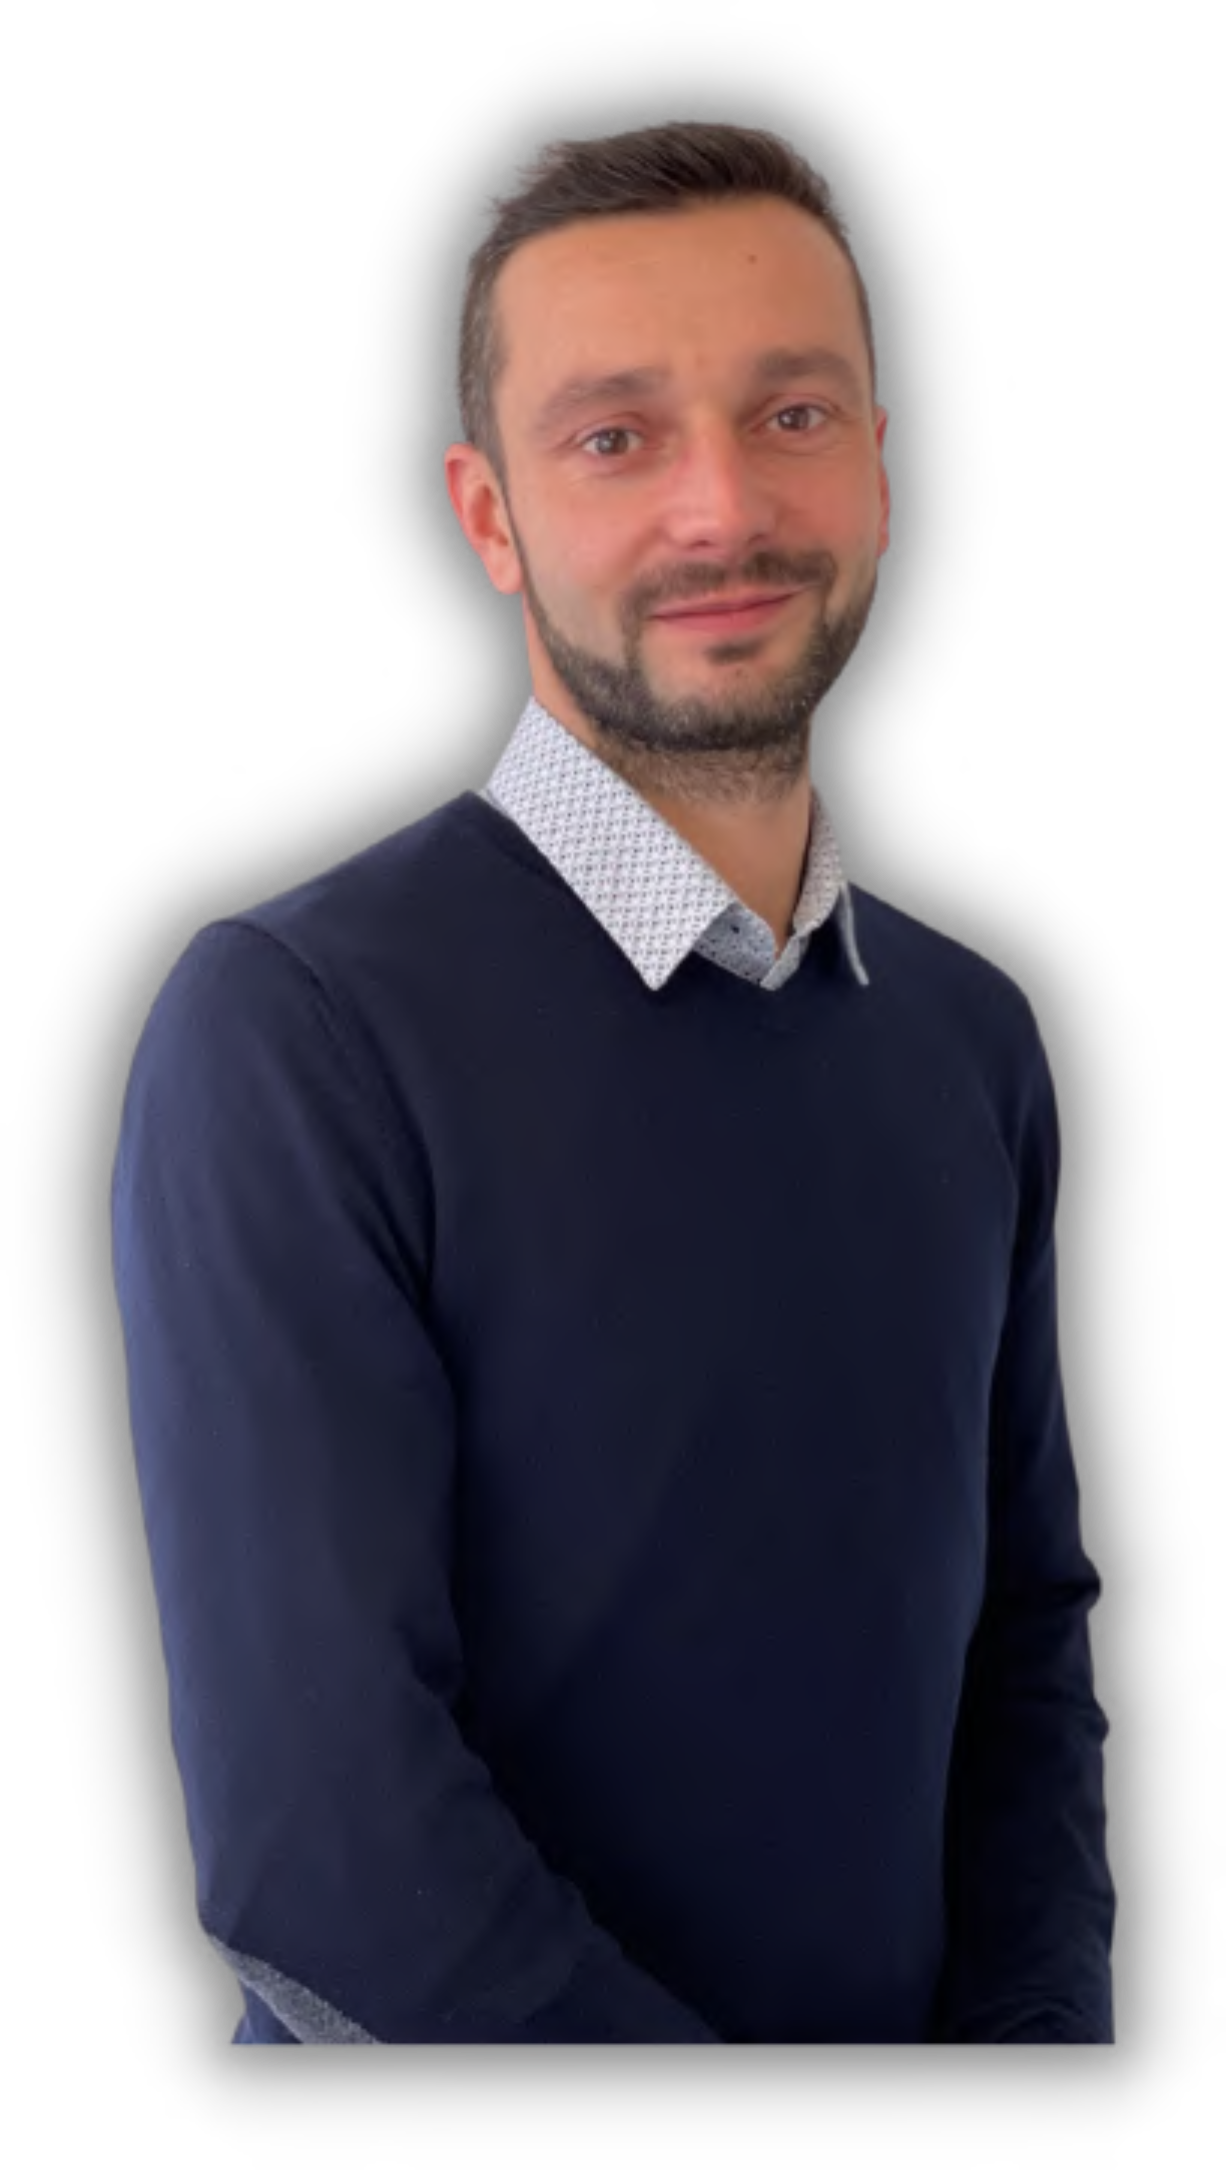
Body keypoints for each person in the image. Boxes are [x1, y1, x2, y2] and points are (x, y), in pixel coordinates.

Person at [108, 118, 1116, 2045]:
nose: (720, 509)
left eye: (789, 415)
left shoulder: (966, 1035)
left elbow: (1026, 1653)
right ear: (487, 516)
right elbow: (321, 1845)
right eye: (614, 437)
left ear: (880, 471)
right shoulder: (293, 1028)